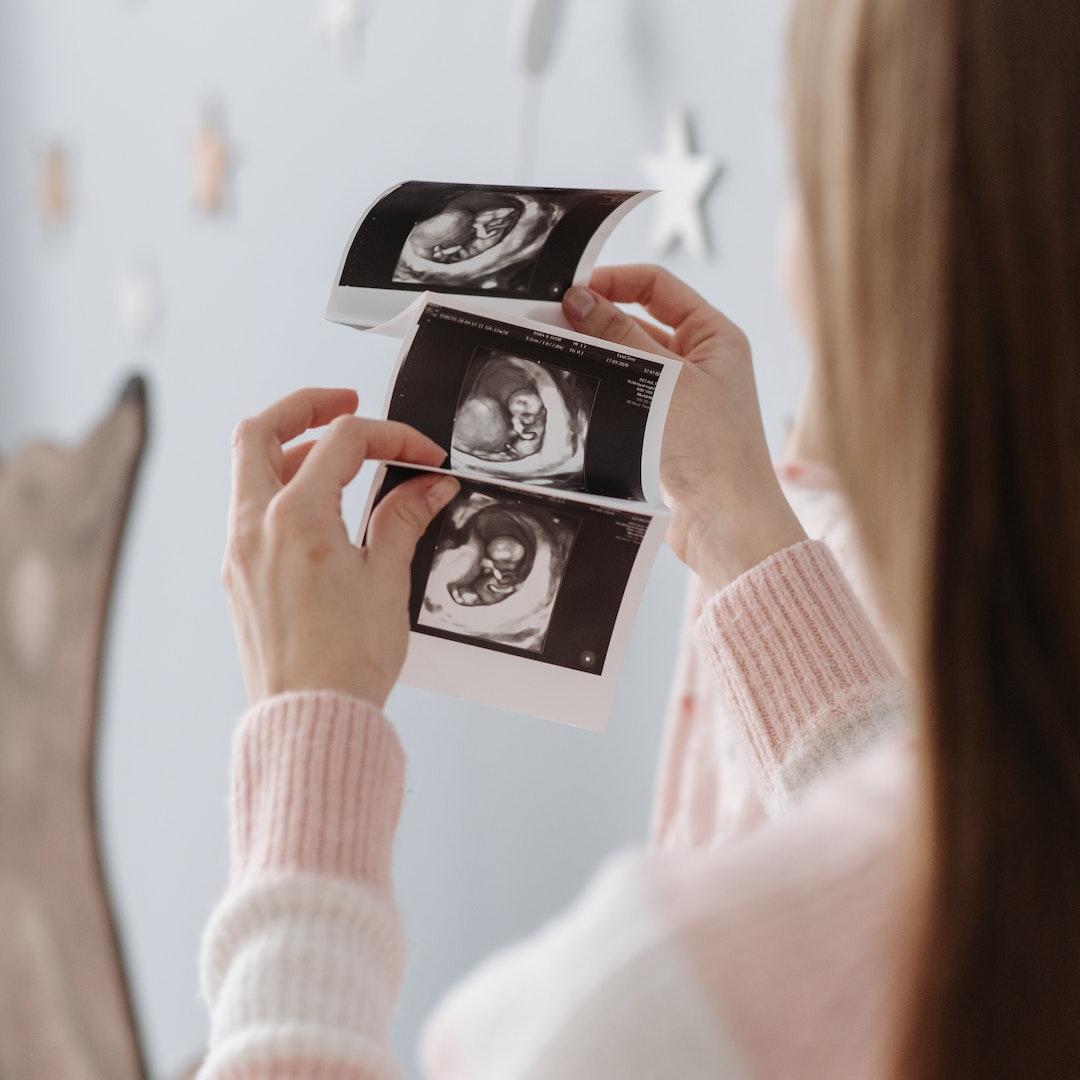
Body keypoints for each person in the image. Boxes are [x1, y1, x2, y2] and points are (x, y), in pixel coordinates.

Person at [200, 2, 1080, 1079]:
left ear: (906, 247)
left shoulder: (649, 1008)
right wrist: (739, 523)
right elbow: (932, 866)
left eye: (806, 164)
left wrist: (308, 740)